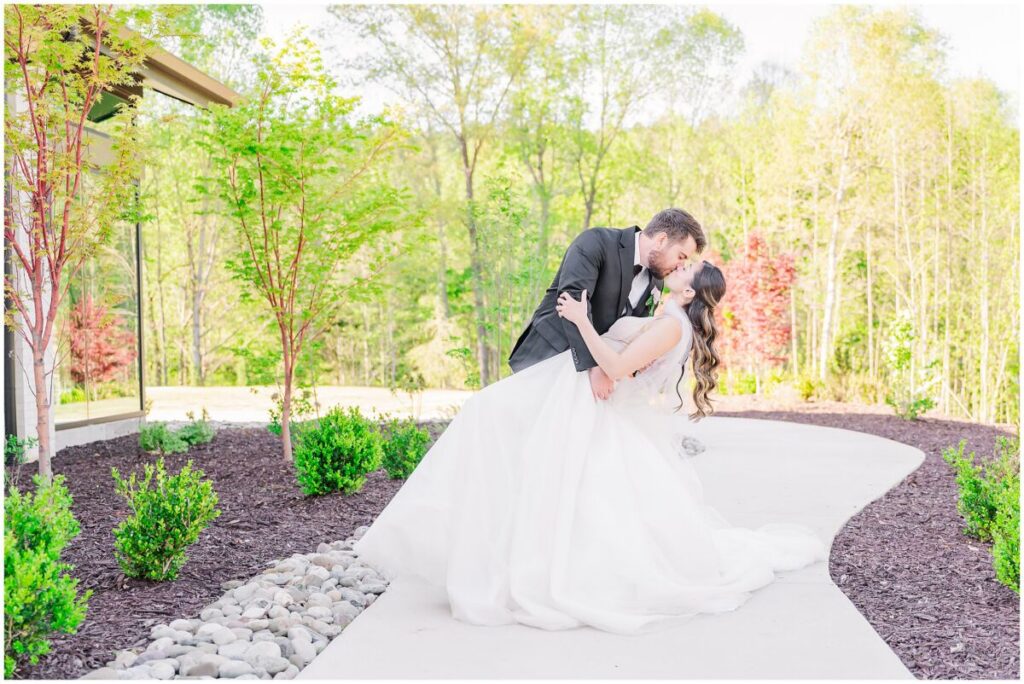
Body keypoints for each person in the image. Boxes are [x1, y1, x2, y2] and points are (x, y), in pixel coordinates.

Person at [351, 257, 829, 636]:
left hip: (605, 413)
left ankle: (537, 574)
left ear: (689, 291)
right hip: (602, 412)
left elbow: (618, 369)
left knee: (580, 501)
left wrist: (581, 320)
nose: (677, 268)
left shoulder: (670, 326)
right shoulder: (669, 319)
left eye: (684, 269)